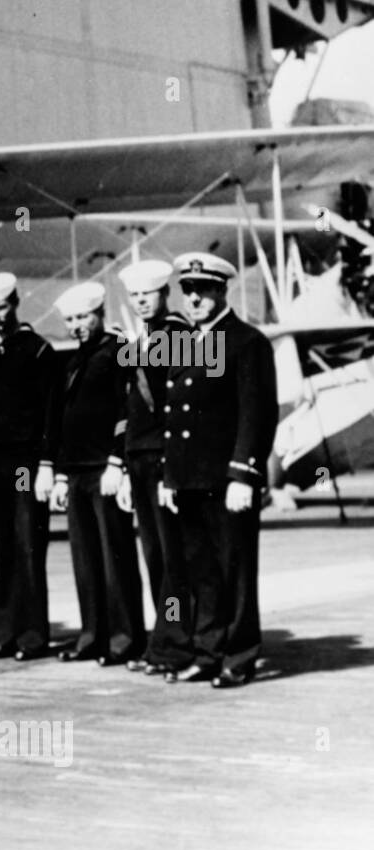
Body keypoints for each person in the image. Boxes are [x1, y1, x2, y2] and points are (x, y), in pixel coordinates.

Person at [159, 252, 277, 689]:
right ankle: (208, 652)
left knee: (236, 570)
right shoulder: (185, 342)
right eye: (187, 290)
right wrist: (170, 477)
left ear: (221, 290)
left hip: (226, 481)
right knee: (201, 571)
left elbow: (257, 412)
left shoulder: (247, 342)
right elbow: (175, 414)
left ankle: (239, 654)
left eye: (202, 290)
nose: (193, 299)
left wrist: (244, 474)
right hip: (190, 481)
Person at [49, 281, 145, 665]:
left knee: (115, 557)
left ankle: (125, 639)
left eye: (83, 317)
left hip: (104, 469)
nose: (76, 325)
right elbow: (62, 422)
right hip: (76, 472)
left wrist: (117, 462)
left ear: (100, 314)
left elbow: (127, 409)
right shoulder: (74, 360)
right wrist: (58, 473)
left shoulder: (118, 351)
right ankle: (92, 635)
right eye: (70, 319)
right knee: (85, 560)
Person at [0, 273, 63, 661]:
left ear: (15, 304)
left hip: (24, 459)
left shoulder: (38, 350)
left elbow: (50, 413)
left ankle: (31, 635)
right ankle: (1, 633)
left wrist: (45, 464)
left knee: (26, 542)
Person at [116, 260, 193, 677]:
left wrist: (173, 468)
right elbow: (129, 404)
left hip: (165, 459)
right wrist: (125, 463)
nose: (141, 301)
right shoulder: (143, 339)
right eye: (134, 295)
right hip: (141, 459)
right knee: (156, 557)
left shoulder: (178, 334)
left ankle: (177, 644)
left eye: (148, 293)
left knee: (171, 558)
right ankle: (165, 640)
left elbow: (182, 406)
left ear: (165, 294)